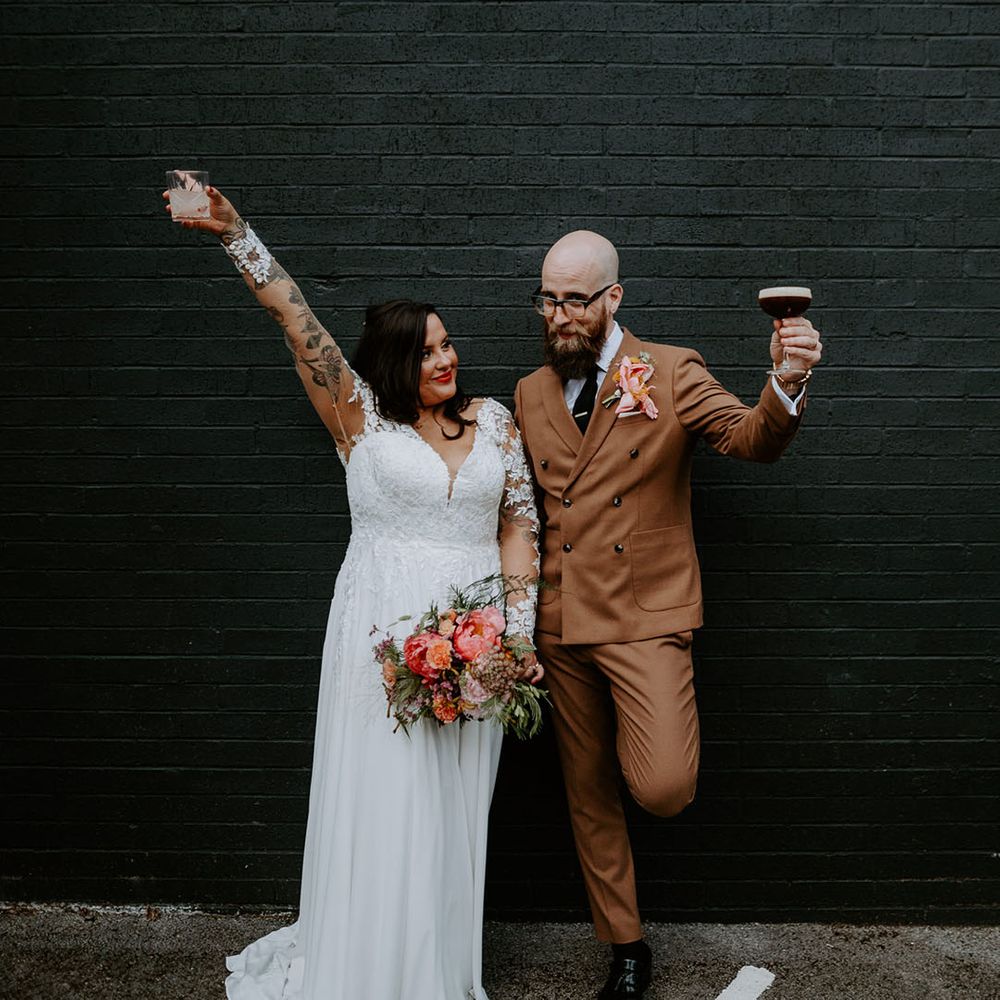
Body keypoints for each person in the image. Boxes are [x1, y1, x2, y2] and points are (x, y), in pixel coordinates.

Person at [163, 186, 542, 1000]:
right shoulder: (357, 421)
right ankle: (368, 969)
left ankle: (434, 969)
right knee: (388, 801)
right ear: (395, 362)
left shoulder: (499, 422)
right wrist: (234, 231)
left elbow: (518, 527)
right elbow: (295, 324)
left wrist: (516, 635)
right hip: (380, 634)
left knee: (451, 809)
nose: (446, 359)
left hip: (475, 643)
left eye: (448, 344)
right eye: (429, 350)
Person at [513, 231, 823, 999]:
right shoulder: (530, 392)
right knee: (586, 794)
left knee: (662, 786)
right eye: (549, 299)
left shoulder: (672, 370)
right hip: (562, 624)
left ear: (613, 299)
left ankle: (639, 745)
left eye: (577, 300)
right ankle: (625, 947)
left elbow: (750, 441)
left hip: (645, 618)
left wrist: (784, 381)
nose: (560, 316)